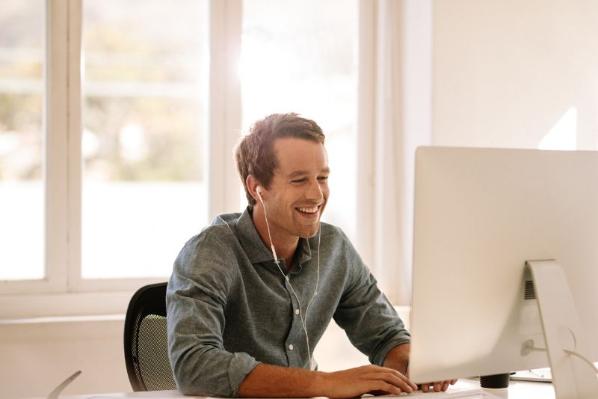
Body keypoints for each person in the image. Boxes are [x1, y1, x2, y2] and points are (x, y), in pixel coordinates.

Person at [166, 113, 455, 397]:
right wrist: (325, 383)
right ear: (257, 188)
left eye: (322, 177)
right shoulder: (210, 252)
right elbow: (194, 365)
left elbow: (387, 336)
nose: (317, 194)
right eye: (299, 180)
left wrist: (417, 365)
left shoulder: (333, 247)